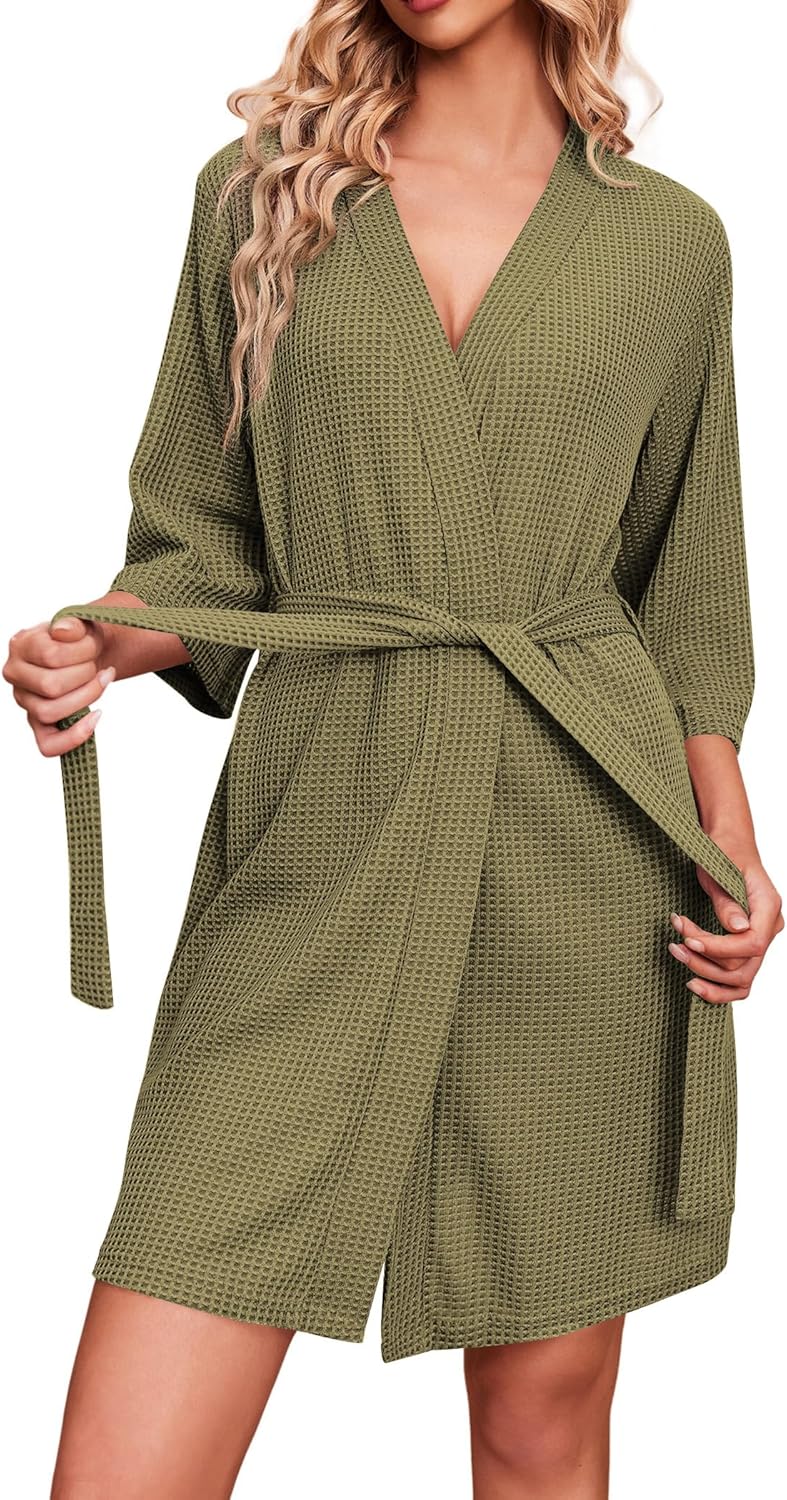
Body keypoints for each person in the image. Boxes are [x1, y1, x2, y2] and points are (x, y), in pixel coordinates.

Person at [5, 1, 783, 1496]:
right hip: (324, 824)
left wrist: (731, 840)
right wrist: (103, 635)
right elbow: (200, 543)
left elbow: (687, 592)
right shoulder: (261, 196)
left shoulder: (669, 244)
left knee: (541, 1436)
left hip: (585, 852)